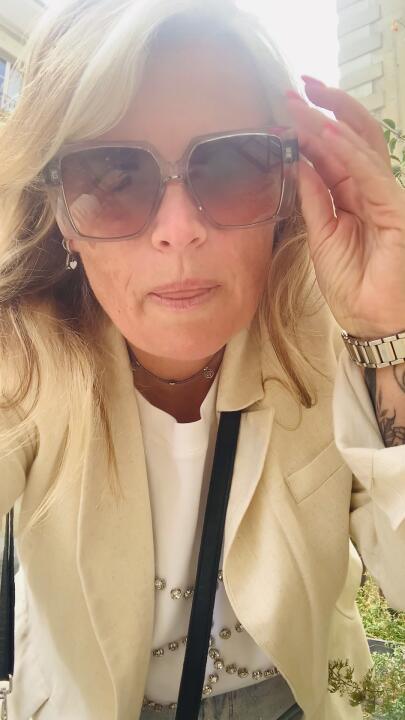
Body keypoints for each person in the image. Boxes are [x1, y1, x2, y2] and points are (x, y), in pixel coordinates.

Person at [0, 0, 404, 718]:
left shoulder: (332, 331)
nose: (179, 230)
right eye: (113, 176)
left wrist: (388, 329)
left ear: (284, 187)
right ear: (60, 213)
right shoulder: (25, 354)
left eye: (228, 164)